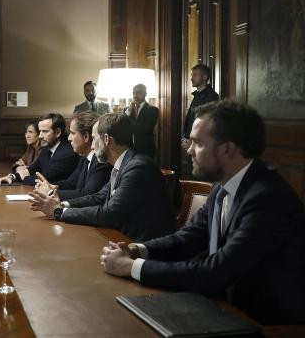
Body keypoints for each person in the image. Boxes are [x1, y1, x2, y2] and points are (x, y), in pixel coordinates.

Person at [99, 101, 305, 325]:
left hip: (266, 323)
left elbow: (216, 272)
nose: (188, 150)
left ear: (227, 148)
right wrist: (137, 250)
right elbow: (187, 238)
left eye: (197, 143)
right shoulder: (223, 184)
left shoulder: (267, 198)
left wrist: (131, 267)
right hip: (224, 308)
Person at [29, 113, 175, 241]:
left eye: (94, 139)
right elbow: (98, 197)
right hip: (123, 237)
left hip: (143, 245)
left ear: (106, 139)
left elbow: (109, 214)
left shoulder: (138, 167)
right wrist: (62, 204)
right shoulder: (125, 162)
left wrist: (58, 211)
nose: (92, 146)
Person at [33, 111, 112, 201]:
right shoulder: (84, 157)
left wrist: (50, 192)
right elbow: (71, 183)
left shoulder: (100, 161)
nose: (69, 138)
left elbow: (88, 193)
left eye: (72, 133)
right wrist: (50, 186)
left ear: (86, 137)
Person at [0, 113, 79, 186]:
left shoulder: (66, 153)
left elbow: (42, 179)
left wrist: (25, 178)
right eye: (40, 131)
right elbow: (31, 170)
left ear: (58, 132)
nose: (40, 136)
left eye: (45, 131)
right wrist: (11, 177)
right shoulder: (47, 149)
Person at [182, 64, 219, 154]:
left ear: (204, 77)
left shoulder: (212, 96)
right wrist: (185, 137)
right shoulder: (197, 95)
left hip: (201, 145)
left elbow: (207, 123)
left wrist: (193, 142)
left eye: (195, 75)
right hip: (190, 142)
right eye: (191, 75)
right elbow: (191, 119)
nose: (191, 78)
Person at [125, 84, 158, 158]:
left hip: (146, 150)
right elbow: (122, 124)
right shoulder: (127, 110)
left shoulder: (153, 110)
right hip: (129, 150)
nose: (135, 96)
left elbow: (146, 129)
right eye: (133, 93)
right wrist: (129, 110)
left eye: (138, 93)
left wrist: (129, 125)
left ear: (145, 94)